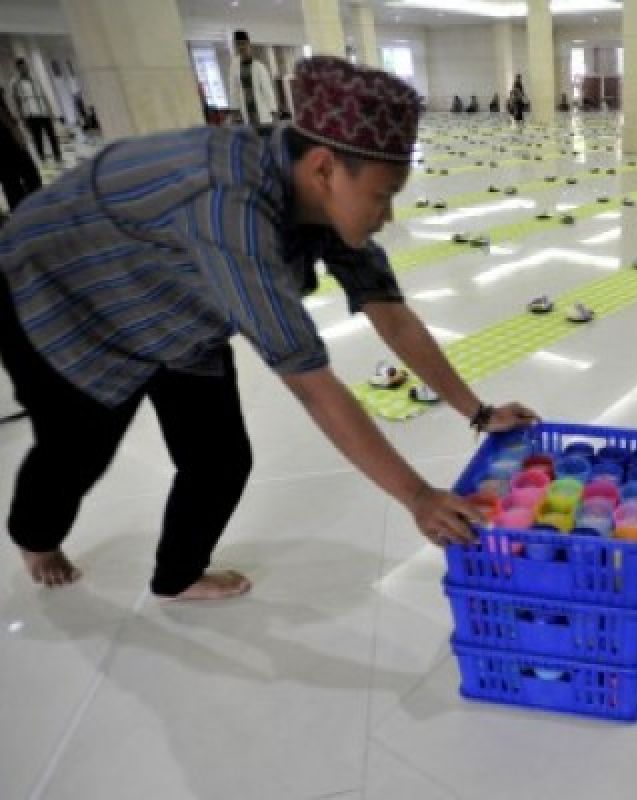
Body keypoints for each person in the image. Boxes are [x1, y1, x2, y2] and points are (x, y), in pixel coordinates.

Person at [0, 56, 537, 600]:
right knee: (78, 448)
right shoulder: (230, 205)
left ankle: (178, 575)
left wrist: (480, 412)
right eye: (381, 196)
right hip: (59, 296)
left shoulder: (312, 192)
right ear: (325, 169)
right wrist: (419, 498)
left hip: (178, 306)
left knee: (219, 457)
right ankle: (34, 536)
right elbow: (313, 387)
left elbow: (394, 319)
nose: (387, 215)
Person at [9, 58, 62, 165]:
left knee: (51, 134)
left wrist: (50, 110)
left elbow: (43, 94)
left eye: (25, 66)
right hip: (30, 115)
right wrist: (22, 117)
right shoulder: (15, 83)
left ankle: (58, 156)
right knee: (37, 138)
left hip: (43, 111)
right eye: (21, 67)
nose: (24, 69)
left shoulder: (35, 78)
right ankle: (42, 158)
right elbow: (17, 101)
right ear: (18, 69)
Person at [0, 88, 42, 214]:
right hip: (8, 142)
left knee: (11, 181)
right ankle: (32, 206)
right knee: (24, 177)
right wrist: (18, 136)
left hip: (9, 142)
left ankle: (24, 210)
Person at [228, 30, 278, 134]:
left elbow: (267, 90)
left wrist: (273, 110)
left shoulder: (259, 66)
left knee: (265, 137)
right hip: (246, 112)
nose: (241, 47)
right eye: (238, 44)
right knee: (252, 140)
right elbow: (234, 89)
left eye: (243, 44)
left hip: (262, 111)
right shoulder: (234, 67)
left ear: (248, 44)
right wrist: (235, 110)